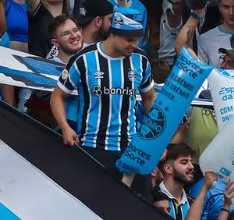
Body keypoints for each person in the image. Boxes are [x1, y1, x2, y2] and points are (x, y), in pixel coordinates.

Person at [52, 12, 156, 167]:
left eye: (137, 39)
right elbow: (57, 96)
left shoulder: (141, 61)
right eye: (129, 39)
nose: (134, 44)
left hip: (131, 148)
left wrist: (154, 137)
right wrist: (65, 127)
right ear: (113, 34)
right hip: (92, 145)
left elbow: (149, 99)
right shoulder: (84, 59)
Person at [179, 0, 234, 67]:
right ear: (219, 7)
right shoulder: (205, 39)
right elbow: (201, 73)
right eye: (226, 7)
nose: (231, 13)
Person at [157, 142, 196, 219]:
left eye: (191, 161)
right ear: (168, 168)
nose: (191, 166)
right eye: (184, 162)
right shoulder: (151, 197)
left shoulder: (193, 203)